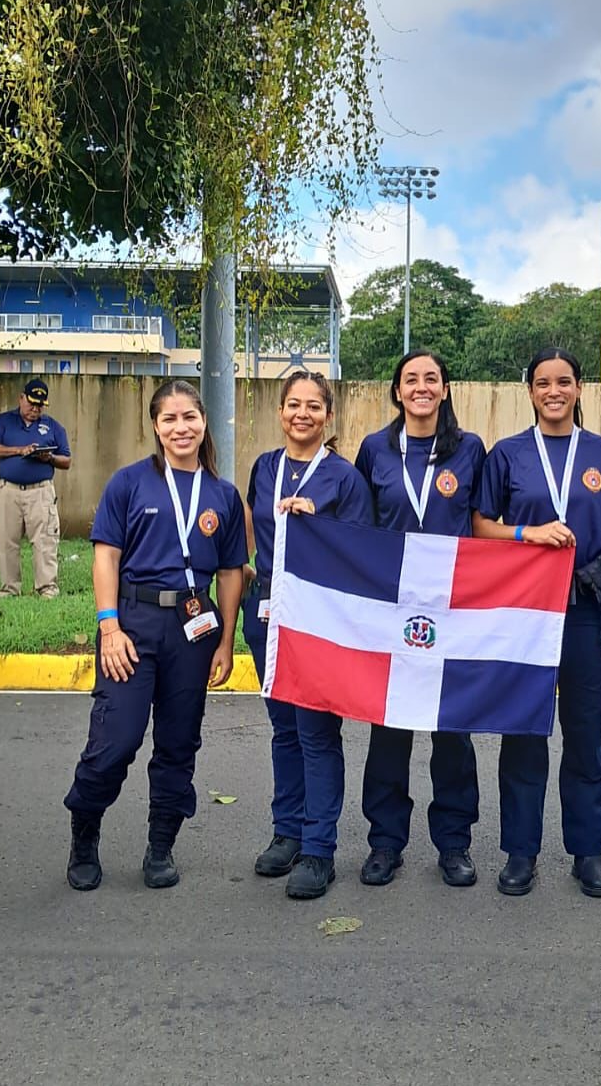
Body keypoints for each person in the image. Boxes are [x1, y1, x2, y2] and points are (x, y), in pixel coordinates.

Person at [63, 380, 246, 892]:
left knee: (178, 742)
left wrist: (226, 642)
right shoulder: (129, 483)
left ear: (204, 422)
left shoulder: (222, 495)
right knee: (115, 740)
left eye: (190, 417)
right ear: (155, 426)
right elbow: (106, 556)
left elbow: (231, 571)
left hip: (193, 630)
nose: (181, 428)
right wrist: (109, 627)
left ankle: (161, 844)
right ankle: (84, 833)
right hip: (133, 624)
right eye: (170, 419)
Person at [473, 347, 601, 897]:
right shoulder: (508, 454)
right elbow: (481, 525)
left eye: (564, 382)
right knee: (523, 733)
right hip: (525, 611)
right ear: (530, 391)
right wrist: (528, 533)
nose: (554, 391)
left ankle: (588, 852)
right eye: (543, 383)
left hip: (588, 607)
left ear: (579, 388)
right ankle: (521, 851)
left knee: (585, 736)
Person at [355, 351, 486, 888]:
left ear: (445, 388)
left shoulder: (469, 449)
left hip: (452, 608)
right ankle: (385, 842)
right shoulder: (375, 449)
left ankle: (454, 843)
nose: (421, 387)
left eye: (431, 378)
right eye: (411, 379)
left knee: (452, 731)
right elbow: (358, 524)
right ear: (397, 391)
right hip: (393, 607)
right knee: (389, 728)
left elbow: (482, 524)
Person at [242, 371, 373, 900]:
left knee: (316, 732)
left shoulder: (344, 478)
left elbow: (361, 551)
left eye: (314, 406)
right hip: (268, 612)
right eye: (293, 405)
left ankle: (319, 849)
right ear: (280, 412)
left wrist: (319, 522)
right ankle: (288, 832)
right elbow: (254, 523)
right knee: (284, 730)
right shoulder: (265, 467)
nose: (303, 414)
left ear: (328, 416)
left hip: (318, 619)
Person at [0, 379, 72, 598]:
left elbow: (67, 460)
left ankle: (47, 588)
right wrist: (19, 450)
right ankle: (9, 588)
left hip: (40, 491)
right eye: (32, 403)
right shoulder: (4, 421)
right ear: (21, 398)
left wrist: (49, 457)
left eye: (40, 405)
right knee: (4, 541)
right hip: (8, 490)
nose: (35, 409)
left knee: (45, 541)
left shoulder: (53, 426)